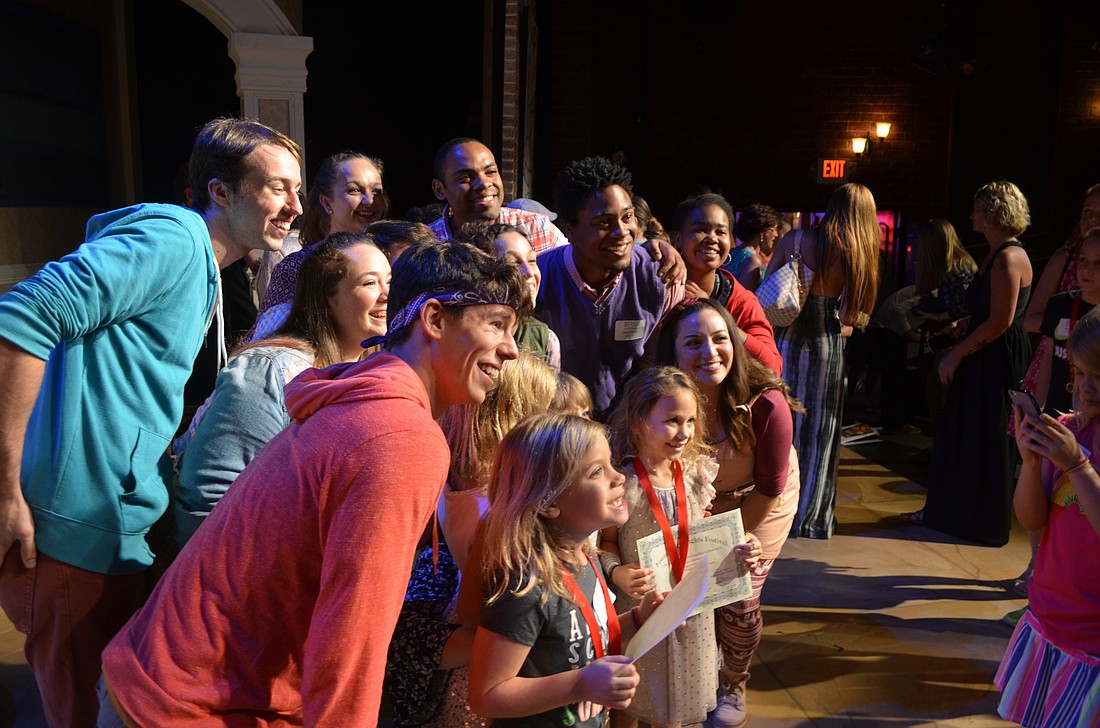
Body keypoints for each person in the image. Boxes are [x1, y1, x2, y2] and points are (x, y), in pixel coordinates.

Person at [99, 240, 528, 725]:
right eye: (496, 324)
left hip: (155, 677)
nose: (511, 349)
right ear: (433, 319)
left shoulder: (365, 401)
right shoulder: (401, 436)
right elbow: (352, 633)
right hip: (186, 706)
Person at [0, 117, 302, 728]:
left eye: (297, 189)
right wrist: (6, 489)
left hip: (113, 527)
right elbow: (21, 316)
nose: (294, 206)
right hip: (71, 532)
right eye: (277, 187)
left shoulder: (208, 268)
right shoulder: (174, 238)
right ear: (220, 191)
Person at [171, 232, 390, 545]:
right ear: (326, 300)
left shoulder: (373, 369)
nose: (387, 295)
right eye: (369, 283)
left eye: (389, 281)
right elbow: (208, 499)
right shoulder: (269, 370)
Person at [385, 351, 557, 727]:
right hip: (491, 654)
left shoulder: (455, 480)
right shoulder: (498, 509)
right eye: (543, 413)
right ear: (515, 415)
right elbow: (476, 614)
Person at [656, 298, 801, 728]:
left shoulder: (767, 404)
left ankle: (734, 681)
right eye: (693, 342)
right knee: (692, 594)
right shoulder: (658, 397)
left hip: (762, 500)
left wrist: (730, 543)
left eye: (720, 338)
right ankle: (695, 673)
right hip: (696, 499)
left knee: (739, 594)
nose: (710, 352)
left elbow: (770, 486)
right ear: (672, 351)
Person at [468, 414, 662, 726]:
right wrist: (580, 684)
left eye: (611, 464)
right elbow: (486, 695)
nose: (618, 477)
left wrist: (640, 618)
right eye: (597, 472)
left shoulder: (586, 557)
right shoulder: (526, 586)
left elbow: (586, 639)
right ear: (548, 503)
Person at [601, 366, 760, 728]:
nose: (685, 432)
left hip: (691, 612)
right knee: (628, 702)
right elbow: (605, 543)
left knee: (675, 705)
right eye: (672, 421)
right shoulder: (623, 484)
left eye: (690, 421)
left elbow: (707, 534)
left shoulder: (696, 475)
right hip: (641, 610)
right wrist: (616, 571)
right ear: (639, 422)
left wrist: (741, 545)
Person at [995, 307, 1100, 727]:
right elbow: (1032, 519)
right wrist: (1032, 462)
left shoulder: (1073, 450)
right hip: (1049, 619)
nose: (1088, 388)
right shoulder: (1069, 430)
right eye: (1081, 373)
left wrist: (1077, 466)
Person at [920, 181, 1034, 546]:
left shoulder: (1008, 257)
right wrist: (962, 325)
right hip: (985, 353)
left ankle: (982, 522)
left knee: (987, 435)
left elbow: (1001, 320)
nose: (971, 216)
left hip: (997, 358)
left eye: (978, 209)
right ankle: (958, 516)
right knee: (969, 432)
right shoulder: (994, 254)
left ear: (994, 213)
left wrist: (956, 353)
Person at [765, 183, 880, 538]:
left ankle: (777, 512)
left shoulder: (797, 240)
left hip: (788, 343)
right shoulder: (859, 256)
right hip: (826, 347)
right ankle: (812, 518)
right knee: (822, 432)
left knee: (784, 426)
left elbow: (768, 287)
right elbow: (851, 318)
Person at [535, 156, 687, 419]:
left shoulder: (661, 277)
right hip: (555, 426)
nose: (622, 232)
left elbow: (655, 367)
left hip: (631, 423)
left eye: (628, 217)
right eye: (604, 223)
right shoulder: (537, 279)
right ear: (569, 229)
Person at [255, 151, 387, 318]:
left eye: (376, 191)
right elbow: (269, 329)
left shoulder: (394, 257)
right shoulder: (296, 267)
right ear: (326, 202)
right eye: (354, 190)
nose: (369, 200)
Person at [670, 193, 783, 375]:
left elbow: (771, 366)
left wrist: (715, 313)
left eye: (720, 232)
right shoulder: (659, 287)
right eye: (700, 230)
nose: (711, 238)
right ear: (678, 238)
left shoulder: (741, 300)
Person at [1018, 184, 1100, 397]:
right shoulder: (1064, 258)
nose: (1092, 220)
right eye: (1087, 212)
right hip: (1057, 361)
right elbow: (1029, 320)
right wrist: (1069, 324)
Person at [430, 138, 569, 252]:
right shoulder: (426, 247)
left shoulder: (537, 229)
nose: (484, 183)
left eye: (490, 172)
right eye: (466, 177)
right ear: (439, 190)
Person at [458, 219, 562, 368]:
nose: (529, 272)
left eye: (532, 260)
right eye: (513, 262)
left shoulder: (545, 340)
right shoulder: (464, 334)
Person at [912, 218, 978, 429]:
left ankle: (944, 443)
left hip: (957, 338)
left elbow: (966, 307)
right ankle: (940, 441)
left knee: (944, 395)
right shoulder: (949, 266)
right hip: (948, 337)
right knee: (935, 393)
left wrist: (937, 316)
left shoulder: (959, 266)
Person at [1035, 227, 1100, 415]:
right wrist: (1038, 407)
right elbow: (1048, 356)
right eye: (1083, 260)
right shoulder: (1060, 304)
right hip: (1057, 410)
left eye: (1098, 263)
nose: (1087, 269)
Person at [722, 203, 782, 292]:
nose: (776, 235)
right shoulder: (752, 261)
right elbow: (747, 297)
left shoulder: (730, 253)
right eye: (773, 230)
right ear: (762, 232)